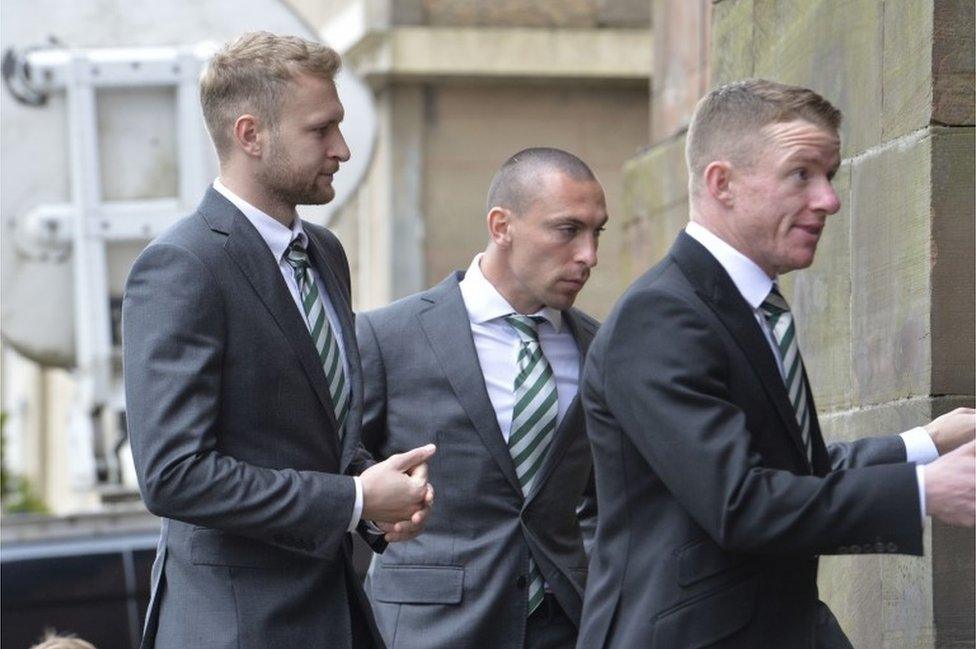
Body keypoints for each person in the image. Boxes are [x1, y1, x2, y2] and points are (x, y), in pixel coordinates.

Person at [576, 79, 976, 649]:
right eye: (801, 174)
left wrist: (925, 443)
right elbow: (741, 504)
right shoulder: (660, 316)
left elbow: (789, 474)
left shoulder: (741, 303)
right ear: (723, 183)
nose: (829, 200)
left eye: (830, 176)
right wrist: (923, 491)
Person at [122, 32, 436, 649]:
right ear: (250, 135)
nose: (342, 149)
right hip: (234, 625)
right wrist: (350, 498)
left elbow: (313, 438)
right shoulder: (181, 266)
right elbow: (174, 475)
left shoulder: (325, 253)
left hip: (333, 613)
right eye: (322, 130)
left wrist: (377, 503)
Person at [358, 148, 606, 649]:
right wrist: (373, 514)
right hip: (430, 628)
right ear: (501, 226)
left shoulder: (601, 348)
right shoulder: (387, 337)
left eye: (596, 232)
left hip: (569, 626)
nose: (588, 256)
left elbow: (610, 496)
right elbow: (340, 475)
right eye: (567, 230)